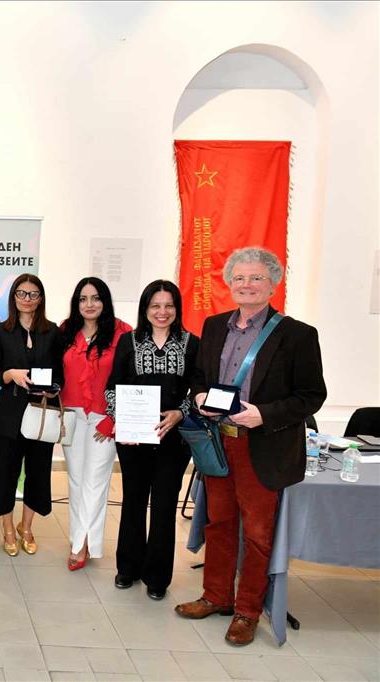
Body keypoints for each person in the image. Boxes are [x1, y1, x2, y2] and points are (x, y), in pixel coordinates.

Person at [175, 247, 326, 646]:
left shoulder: (298, 335)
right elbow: (199, 376)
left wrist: (265, 415)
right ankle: (216, 596)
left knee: (257, 534)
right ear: (230, 283)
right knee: (218, 523)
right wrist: (200, 395)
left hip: (263, 447)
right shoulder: (213, 327)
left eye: (256, 277)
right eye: (239, 278)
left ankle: (247, 611)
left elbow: (311, 396)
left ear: (273, 284)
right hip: (217, 443)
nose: (247, 285)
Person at [104, 280, 198, 599]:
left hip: (174, 439)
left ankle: (157, 577)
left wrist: (180, 413)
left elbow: (199, 390)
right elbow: (112, 387)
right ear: (145, 309)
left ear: (177, 309)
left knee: (163, 505)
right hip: (134, 440)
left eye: (169, 305)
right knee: (133, 501)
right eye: (155, 305)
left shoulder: (191, 343)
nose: (162, 312)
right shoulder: (128, 341)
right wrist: (122, 420)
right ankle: (127, 568)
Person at [59, 276, 132, 570]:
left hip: (104, 417)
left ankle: (82, 544)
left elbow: (130, 379)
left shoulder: (123, 333)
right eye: (83, 299)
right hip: (71, 415)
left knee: (95, 481)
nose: (89, 304)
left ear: (105, 301)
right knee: (76, 480)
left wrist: (114, 417)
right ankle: (80, 537)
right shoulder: (66, 330)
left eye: (96, 298)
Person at [0, 274, 63, 557]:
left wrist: (53, 390)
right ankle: (8, 527)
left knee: (38, 473)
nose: (27, 299)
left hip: (41, 412)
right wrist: (11, 374)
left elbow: (60, 374)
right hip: (10, 413)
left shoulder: (52, 332)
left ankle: (26, 526)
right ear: (13, 297)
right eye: (21, 293)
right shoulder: (1, 331)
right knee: (6, 473)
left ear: (41, 298)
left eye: (33, 294)